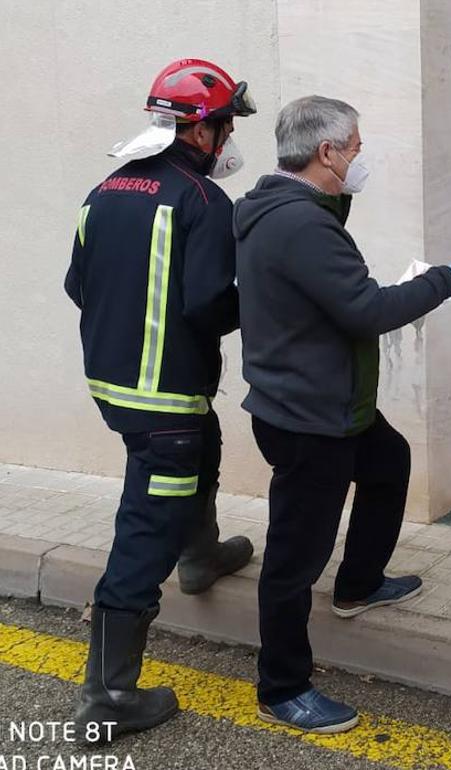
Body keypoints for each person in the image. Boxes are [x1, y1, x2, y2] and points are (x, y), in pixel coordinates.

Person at [234, 95, 451, 734]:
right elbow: (366, 309)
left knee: (388, 463)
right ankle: (282, 685)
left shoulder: (278, 208)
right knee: (295, 553)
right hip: (309, 417)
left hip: (328, 404)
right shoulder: (301, 226)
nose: (360, 157)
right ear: (327, 153)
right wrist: (443, 280)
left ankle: (360, 584)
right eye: (355, 148)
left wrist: (337, 198)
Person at [64, 58, 258, 738]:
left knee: (206, 445)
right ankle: (108, 698)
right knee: (145, 530)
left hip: (114, 388)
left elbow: (76, 285)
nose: (229, 139)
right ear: (200, 130)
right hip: (165, 402)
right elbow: (209, 306)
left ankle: (200, 555)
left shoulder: (105, 190)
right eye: (226, 125)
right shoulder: (204, 203)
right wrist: (262, 301)